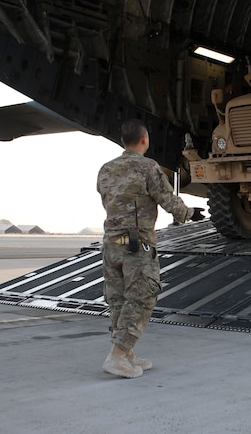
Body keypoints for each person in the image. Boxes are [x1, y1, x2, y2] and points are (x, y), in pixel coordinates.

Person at [97, 119, 204, 378]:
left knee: (119, 299)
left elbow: (106, 198)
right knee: (143, 295)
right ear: (144, 140)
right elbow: (167, 199)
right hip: (136, 243)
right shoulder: (148, 167)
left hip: (113, 242)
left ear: (124, 141)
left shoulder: (106, 169)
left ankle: (127, 352)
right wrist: (189, 213)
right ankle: (119, 354)